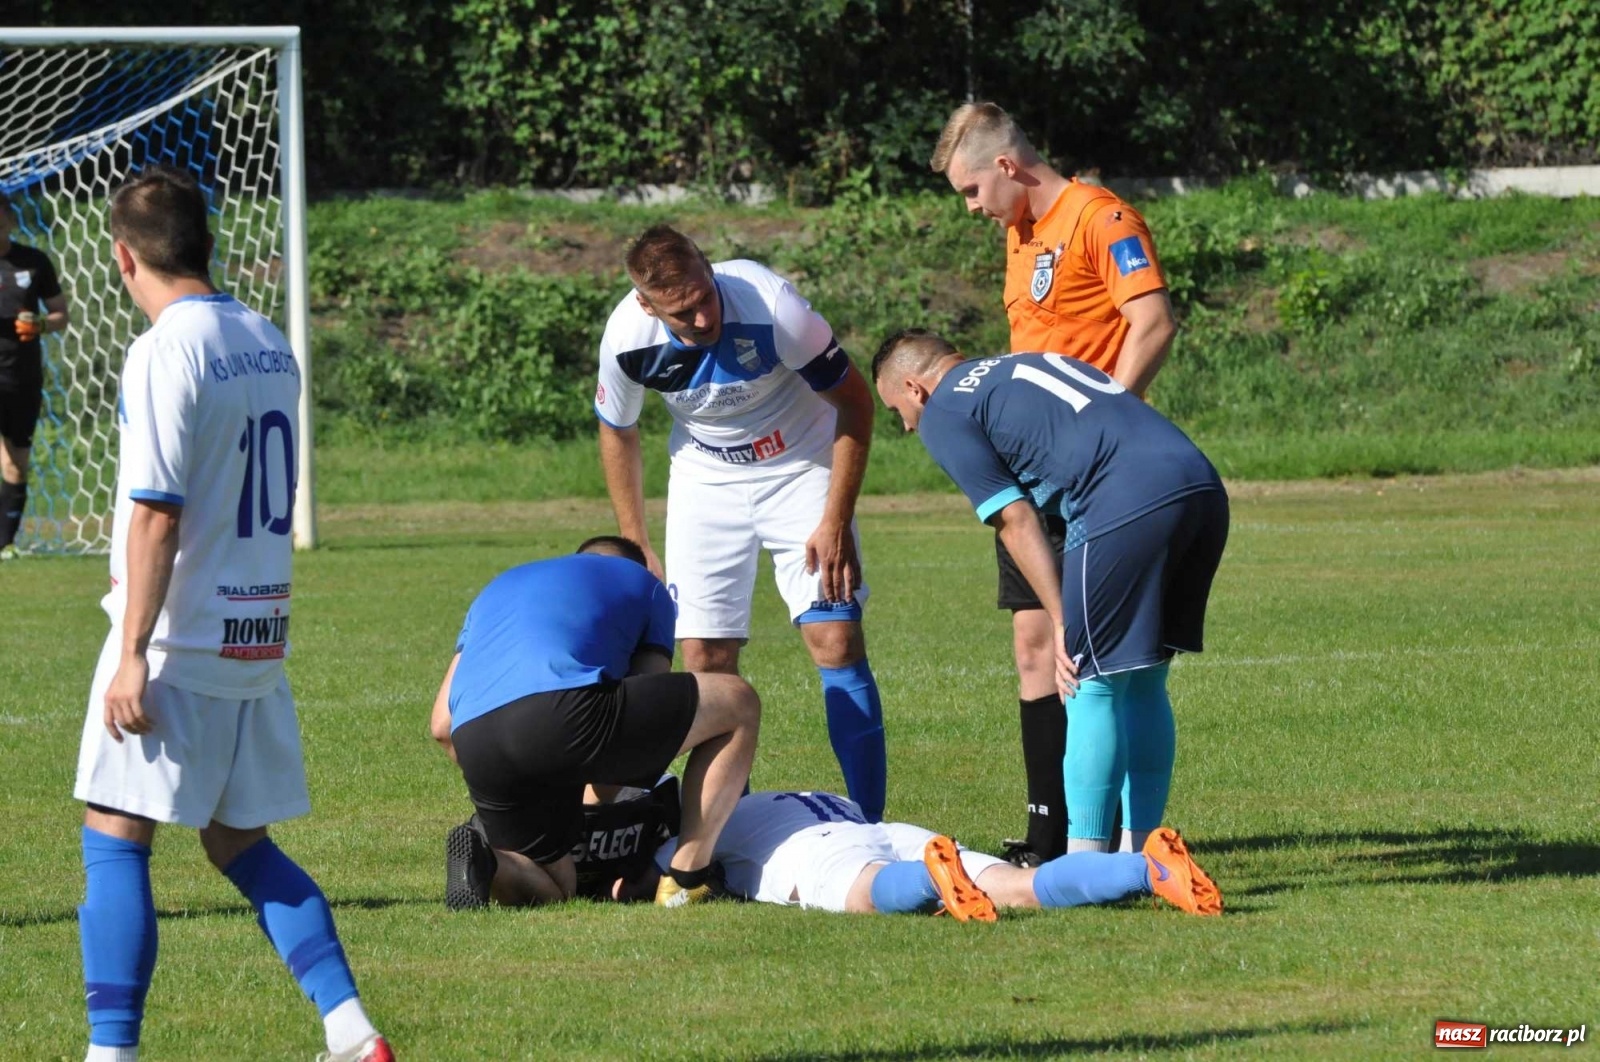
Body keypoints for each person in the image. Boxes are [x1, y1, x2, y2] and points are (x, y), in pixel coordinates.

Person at [72, 166, 391, 1062]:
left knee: (115, 834)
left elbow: (155, 510)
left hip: (180, 637)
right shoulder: (266, 336)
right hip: (258, 632)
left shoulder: (164, 348)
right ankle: (351, 1029)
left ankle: (111, 1053)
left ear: (124, 257)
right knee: (236, 840)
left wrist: (131, 652)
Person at [931, 102, 1180, 865]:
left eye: (973, 191)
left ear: (1007, 166)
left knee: (1110, 661)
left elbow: (1154, 322)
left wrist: (1104, 425)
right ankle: (1050, 832)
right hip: (1034, 476)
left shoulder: (1100, 218)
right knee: (1035, 643)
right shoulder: (1020, 233)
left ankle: (1110, 841)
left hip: (1095, 476)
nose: (972, 209)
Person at [871, 329, 1228, 857]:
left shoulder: (945, 409)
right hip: (1200, 485)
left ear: (914, 386)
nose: (904, 425)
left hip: (1124, 500)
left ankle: (1084, 864)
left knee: (1088, 681)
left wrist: (1063, 620)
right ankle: (1144, 852)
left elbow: (1015, 520)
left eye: (898, 410)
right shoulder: (1022, 362)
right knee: (1146, 678)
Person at [594, 224, 888, 820]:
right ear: (647, 306)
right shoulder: (626, 338)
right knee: (703, 659)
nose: (702, 319)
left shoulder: (771, 305)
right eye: (682, 313)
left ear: (710, 266)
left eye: (704, 297)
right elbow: (617, 431)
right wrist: (636, 541)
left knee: (835, 638)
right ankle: (733, 832)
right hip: (707, 479)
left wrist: (836, 517)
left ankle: (870, 823)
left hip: (801, 464)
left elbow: (856, 402)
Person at [429, 535, 761, 909]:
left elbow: (442, 725)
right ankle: (688, 878)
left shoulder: (496, 588)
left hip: (476, 740)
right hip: (561, 713)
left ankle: (488, 862)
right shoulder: (647, 586)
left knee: (559, 884)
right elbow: (640, 704)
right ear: (640, 567)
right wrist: (594, 799)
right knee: (739, 702)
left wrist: (538, 786)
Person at [614, 789, 1221, 918]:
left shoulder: (700, 829)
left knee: (866, 889)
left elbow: (660, 884)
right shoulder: (791, 793)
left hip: (825, 852)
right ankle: (1148, 869)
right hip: (890, 826)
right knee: (1016, 886)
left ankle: (931, 881)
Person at [0, 192, 71, 559]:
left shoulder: (34, 261)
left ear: (10, 219)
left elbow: (61, 313)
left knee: (16, 463)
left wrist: (41, 323)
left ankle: (5, 544)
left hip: (21, 376)